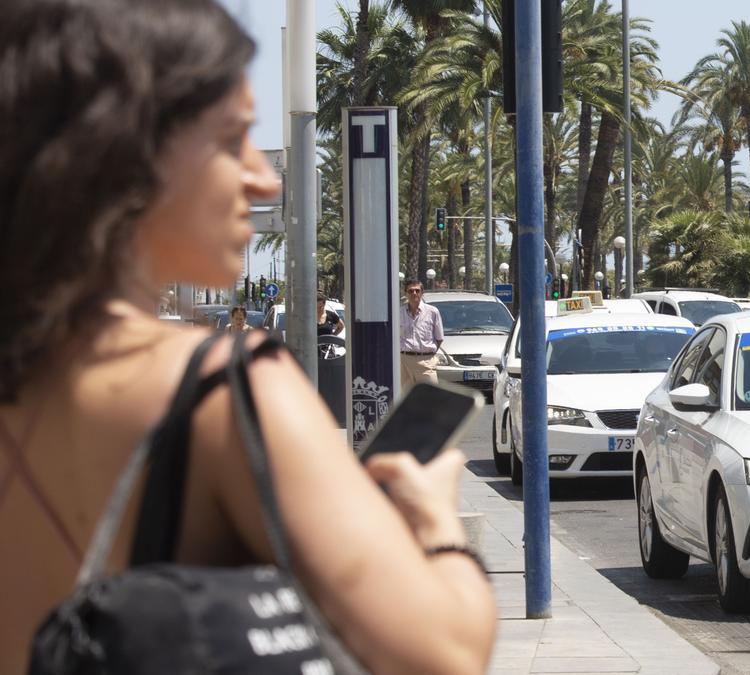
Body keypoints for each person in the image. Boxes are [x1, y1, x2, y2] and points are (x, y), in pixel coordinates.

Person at [0, 1, 495, 673]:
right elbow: (446, 652)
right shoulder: (226, 390)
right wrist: (437, 520)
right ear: (124, 152)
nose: (261, 178)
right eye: (232, 140)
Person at [399, 279, 444, 391]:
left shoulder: (433, 312)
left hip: (426, 361)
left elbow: (439, 338)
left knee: (431, 397)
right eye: (410, 291)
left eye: (417, 291)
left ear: (422, 293)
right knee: (404, 399)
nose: (414, 293)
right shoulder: (398, 312)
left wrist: (426, 353)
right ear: (405, 293)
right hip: (404, 362)